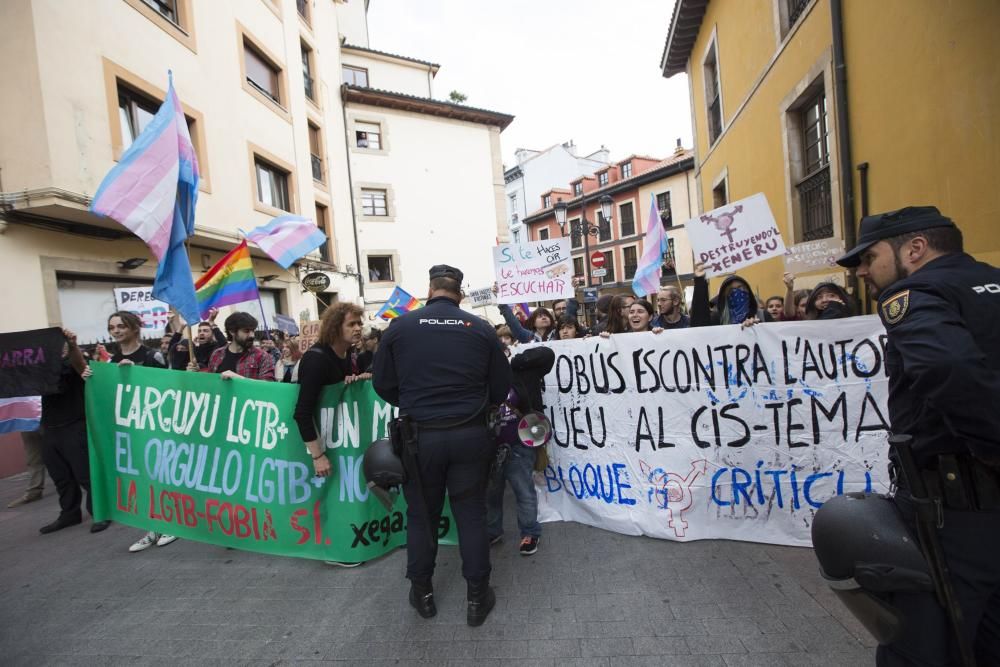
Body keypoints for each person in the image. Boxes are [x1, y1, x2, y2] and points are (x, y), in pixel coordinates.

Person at [835, 205, 1000, 666]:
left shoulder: (915, 293)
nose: (863, 271)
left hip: (955, 513)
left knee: (924, 643)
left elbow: (949, 369)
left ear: (916, 247)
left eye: (869, 257)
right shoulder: (992, 281)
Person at [373, 264, 512, 626]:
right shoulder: (480, 328)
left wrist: (413, 400)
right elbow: (500, 388)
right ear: (459, 293)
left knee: (421, 515)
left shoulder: (400, 327)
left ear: (429, 288)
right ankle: (477, 598)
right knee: (471, 515)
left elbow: (382, 384)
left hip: (421, 438)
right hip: (471, 435)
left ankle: (423, 593)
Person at [293, 302, 369, 566]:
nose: (358, 328)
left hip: (337, 438)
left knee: (340, 494)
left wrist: (353, 383)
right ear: (336, 327)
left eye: (359, 323)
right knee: (324, 497)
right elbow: (302, 412)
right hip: (317, 442)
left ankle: (343, 543)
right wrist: (318, 456)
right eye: (352, 324)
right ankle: (333, 551)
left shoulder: (346, 354)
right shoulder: (316, 359)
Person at [106, 312, 178, 551]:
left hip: (155, 425)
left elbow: (167, 386)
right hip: (128, 428)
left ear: (135, 328)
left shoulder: (151, 355)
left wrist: (134, 376)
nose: (116, 331)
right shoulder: (109, 362)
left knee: (160, 474)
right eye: (112, 327)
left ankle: (170, 523)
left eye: (121, 326)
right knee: (141, 477)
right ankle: (152, 527)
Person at [37, 329, 111, 534]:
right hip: (50, 429)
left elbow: (82, 368)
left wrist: (72, 344)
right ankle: (69, 514)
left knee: (85, 474)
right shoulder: (42, 370)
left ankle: (100, 512)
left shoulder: (73, 366)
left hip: (74, 425)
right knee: (60, 475)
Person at [487, 346, 555, 557]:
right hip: (490, 447)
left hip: (518, 445)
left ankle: (530, 532)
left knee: (523, 491)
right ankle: (492, 531)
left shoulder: (520, 375)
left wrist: (517, 360)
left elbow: (547, 354)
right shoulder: (478, 379)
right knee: (491, 493)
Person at [207, 312, 276, 381]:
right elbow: (210, 383)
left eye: (253, 330)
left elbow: (268, 386)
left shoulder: (262, 356)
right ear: (232, 331)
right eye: (246, 331)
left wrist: (239, 380)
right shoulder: (217, 354)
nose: (252, 335)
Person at [690, 264, 759, 327]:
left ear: (748, 290)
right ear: (725, 296)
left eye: (740, 287)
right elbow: (699, 326)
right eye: (731, 290)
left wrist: (756, 327)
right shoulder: (717, 319)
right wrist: (700, 281)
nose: (737, 292)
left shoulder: (761, 315)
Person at [7, 427, 46, 508]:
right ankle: (34, 492)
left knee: (60, 448)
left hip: (50, 418)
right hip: (26, 420)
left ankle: (72, 480)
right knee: (33, 458)